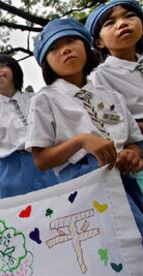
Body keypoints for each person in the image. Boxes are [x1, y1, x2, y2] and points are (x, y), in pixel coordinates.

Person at [26, 18, 143, 235]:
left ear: (87, 46)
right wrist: (81, 141)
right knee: (113, 241)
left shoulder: (112, 96)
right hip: (84, 185)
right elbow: (41, 160)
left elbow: (134, 142)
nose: (65, 50)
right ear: (46, 63)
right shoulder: (44, 100)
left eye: (71, 41)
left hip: (125, 178)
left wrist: (132, 155)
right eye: (53, 48)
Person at [0, 54, 57, 198]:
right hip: (12, 168)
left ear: (14, 69)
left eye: (2, 66)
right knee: (22, 214)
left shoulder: (35, 99)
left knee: (58, 205)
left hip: (45, 159)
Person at [85, 0, 143, 133]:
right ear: (99, 42)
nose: (122, 23)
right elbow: (110, 120)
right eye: (110, 23)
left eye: (129, 16)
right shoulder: (100, 75)